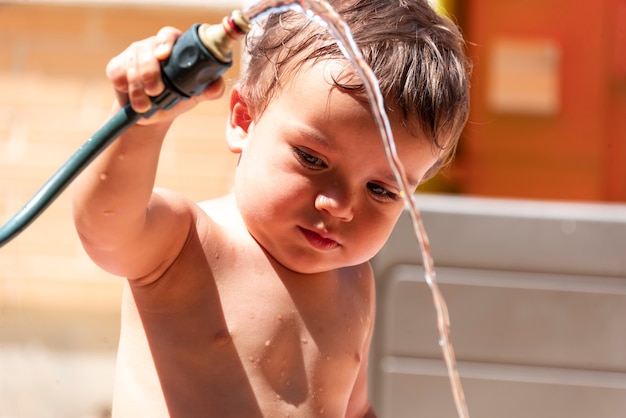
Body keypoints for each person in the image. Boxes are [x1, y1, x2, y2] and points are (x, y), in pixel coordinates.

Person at [71, 0, 470, 416]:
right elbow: (105, 227)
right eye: (312, 160)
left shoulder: (356, 282)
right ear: (244, 120)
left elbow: (354, 409)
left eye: (381, 190)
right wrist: (141, 124)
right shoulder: (187, 244)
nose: (339, 206)